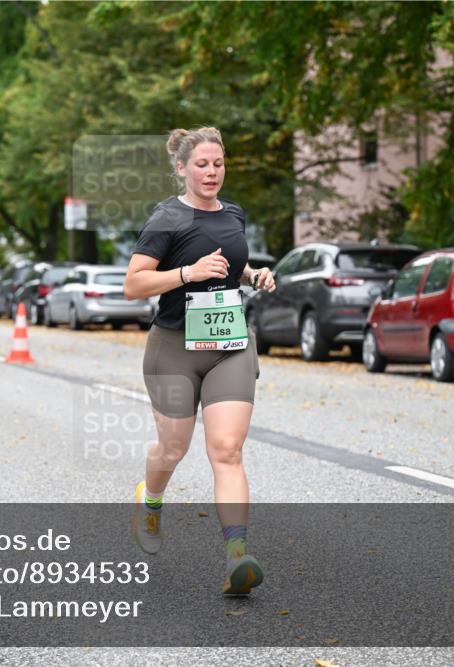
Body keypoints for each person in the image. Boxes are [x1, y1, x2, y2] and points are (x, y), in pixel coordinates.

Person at [123, 127, 276, 596]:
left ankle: (237, 557)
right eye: (203, 165)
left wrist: (254, 273)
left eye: (218, 164)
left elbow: (232, 262)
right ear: (182, 168)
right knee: (173, 449)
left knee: (226, 450)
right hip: (174, 347)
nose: (212, 173)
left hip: (229, 342)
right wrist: (188, 273)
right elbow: (134, 284)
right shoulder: (166, 217)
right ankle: (150, 501)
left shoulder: (234, 213)